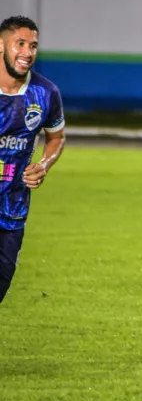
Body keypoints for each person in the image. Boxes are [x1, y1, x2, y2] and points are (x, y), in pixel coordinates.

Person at [0, 16, 66, 305]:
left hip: (13, 208)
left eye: (34, 45)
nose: (28, 52)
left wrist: (44, 165)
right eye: (20, 43)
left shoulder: (45, 92)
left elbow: (56, 137)